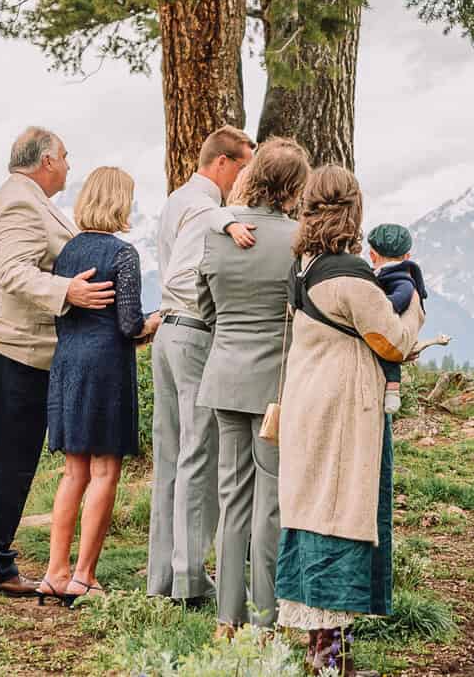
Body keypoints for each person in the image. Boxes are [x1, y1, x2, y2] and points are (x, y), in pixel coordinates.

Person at [0, 127, 114, 597]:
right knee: (11, 461)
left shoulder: (27, 200)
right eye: (67, 157)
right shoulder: (20, 203)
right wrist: (68, 291)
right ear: (48, 159)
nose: (70, 166)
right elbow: (14, 272)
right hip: (8, 346)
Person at [275, 166, 424, 673]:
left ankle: (320, 652)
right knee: (340, 516)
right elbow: (394, 342)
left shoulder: (306, 263)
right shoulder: (351, 276)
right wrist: (416, 304)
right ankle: (330, 661)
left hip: (307, 401)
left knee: (313, 511)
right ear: (353, 211)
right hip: (341, 409)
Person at [197, 136, 309, 638]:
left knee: (231, 497)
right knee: (270, 502)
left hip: (223, 375)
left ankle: (227, 618)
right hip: (273, 386)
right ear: (293, 187)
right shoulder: (297, 240)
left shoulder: (220, 235)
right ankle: (265, 619)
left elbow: (205, 310)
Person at [39, 167, 159, 604]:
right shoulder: (123, 254)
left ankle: (55, 570)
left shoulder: (66, 252)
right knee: (105, 470)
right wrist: (155, 324)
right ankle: (84, 575)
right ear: (120, 202)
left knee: (74, 472)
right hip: (106, 367)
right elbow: (128, 325)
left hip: (67, 362)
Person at [148, 125, 253, 607]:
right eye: (243, 168)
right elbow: (183, 273)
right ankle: (190, 579)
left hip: (166, 333)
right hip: (192, 332)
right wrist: (217, 317)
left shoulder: (176, 200)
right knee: (199, 453)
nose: (243, 179)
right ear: (223, 163)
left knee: (170, 456)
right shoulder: (209, 208)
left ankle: (161, 576)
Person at [366, 224, 423, 415]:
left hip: (385, 335)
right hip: (388, 340)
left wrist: (375, 305)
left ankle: (393, 390)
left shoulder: (400, 281)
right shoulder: (405, 280)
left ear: (372, 255)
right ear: (407, 256)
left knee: (390, 360)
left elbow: (394, 303)